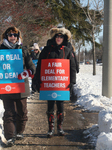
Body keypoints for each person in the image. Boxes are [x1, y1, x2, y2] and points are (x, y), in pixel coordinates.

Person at [34, 27, 76, 137]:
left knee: (61, 106)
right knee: (50, 106)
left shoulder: (67, 51)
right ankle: (50, 128)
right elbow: (39, 66)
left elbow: (72, 67)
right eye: (57, 36)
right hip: (49, 84)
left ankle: (60, 127)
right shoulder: (46, 50)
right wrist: (37, 80)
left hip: (62, 84)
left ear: (64, 38)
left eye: (61, 36)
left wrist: (72, 82)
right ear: (54, 37)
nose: (59, 38)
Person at [0, 26, 36, 147]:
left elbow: (32, 67)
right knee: (9, 112)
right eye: (10, 35)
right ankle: (10, 136)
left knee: (22, 110)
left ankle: (20, 131)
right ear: (6, 36)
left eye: (15, 35)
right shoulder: (1, 50)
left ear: (18, 37)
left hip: (21, 85)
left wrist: (28, 72)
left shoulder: (23, 50)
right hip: (6, 85)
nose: (12, 37)